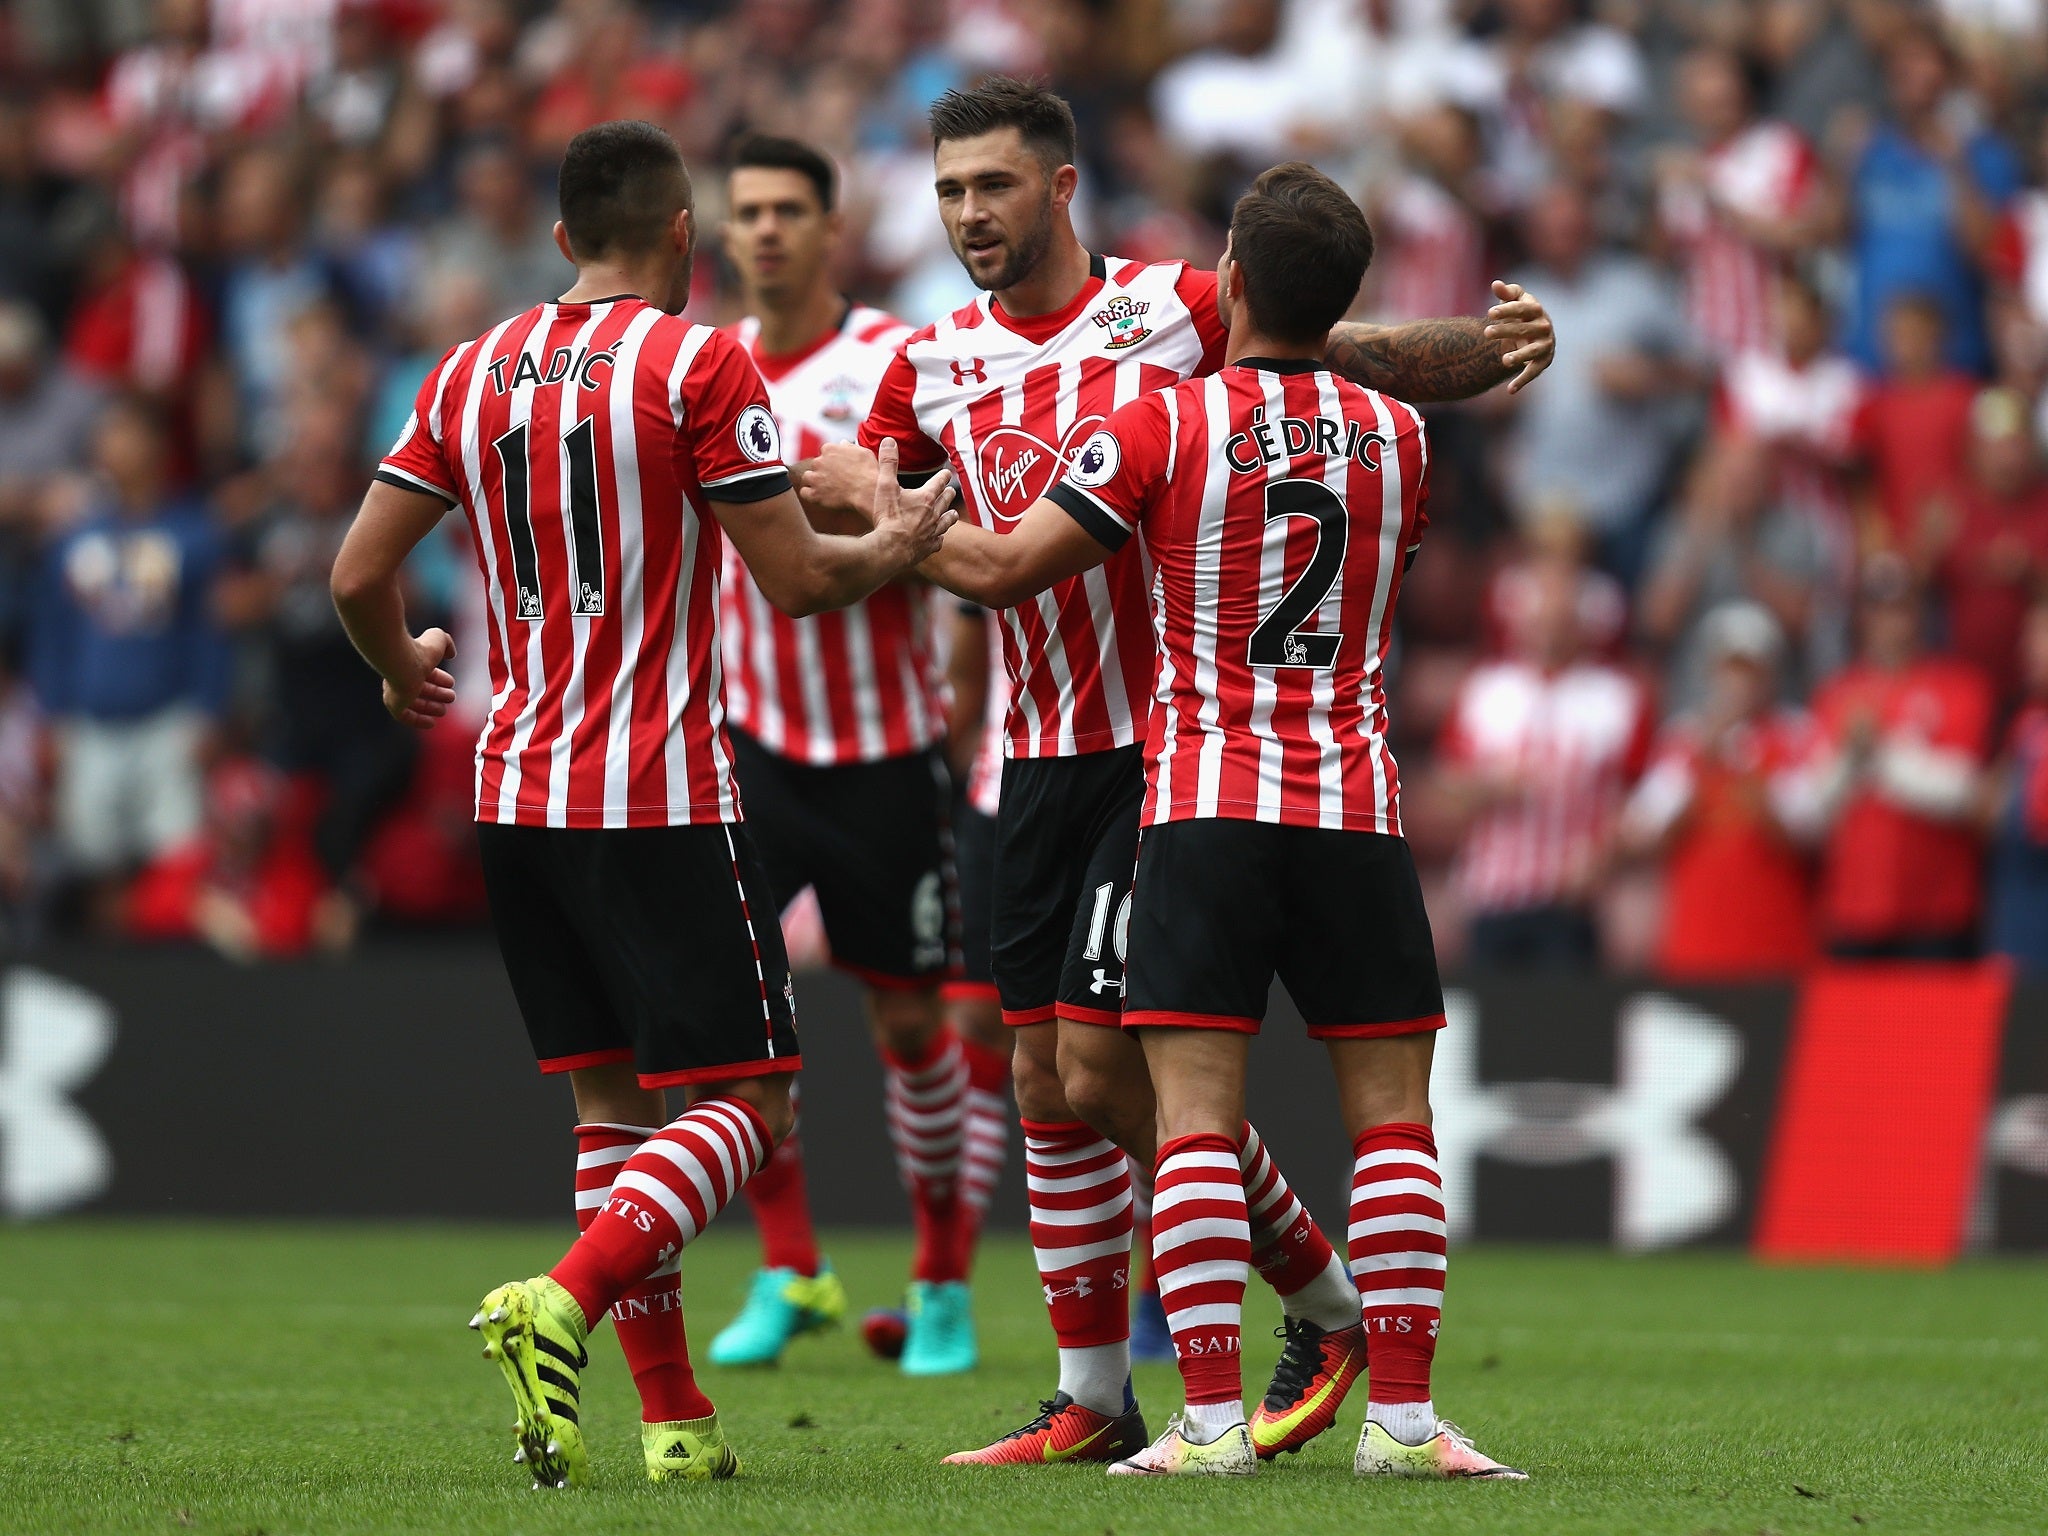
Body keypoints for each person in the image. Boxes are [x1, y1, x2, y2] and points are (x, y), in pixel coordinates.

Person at [805, 77, 1554, 1469]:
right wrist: (789, 506)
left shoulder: (1175, 312)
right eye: (952, 188)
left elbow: (1356, 349)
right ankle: (1099, 1398)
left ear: (1062, 184)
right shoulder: (927, 366)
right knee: (1040, 1079)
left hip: (1162, 745)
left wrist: (1492, 346)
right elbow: (873, 533)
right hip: (1028, 754)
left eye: (996, 185)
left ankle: (1314, 1310)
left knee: (1105, 1079)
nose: (971, 211)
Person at [328, 119, 955, 1491]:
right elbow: (798, 582)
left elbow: (356, 576)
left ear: (559, 239)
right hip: (659, 792)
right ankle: (566, 1293)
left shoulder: (470, 369)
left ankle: (673, 1426)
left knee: (611, 1115)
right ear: (687, 234)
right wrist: (902, 541)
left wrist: (401, 673)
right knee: (753, 1104)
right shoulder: (700, 358)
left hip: (514, 793)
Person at [700, 132, 1005, 1377]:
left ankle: (939, 1281)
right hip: (745, 746)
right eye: (746, 212)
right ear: (719, 235)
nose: (765, 230)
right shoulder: (701, 367)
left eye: (788, 210)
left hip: (886, 750)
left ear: (831, 228)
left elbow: (958, 526)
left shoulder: (896, 359)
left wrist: (861, 509)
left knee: (909, 1027)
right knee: (731, 1023)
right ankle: (790, 1270)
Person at [1439, 554, 1651, 970]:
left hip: (1573, 898)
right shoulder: (1487, 691)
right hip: (1492, 895)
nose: (1550, 631)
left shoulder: (1617, 697)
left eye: (1562, 619)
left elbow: (1644, 798)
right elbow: (1448, 789)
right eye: (1542, 618)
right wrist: (1489, 788)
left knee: (1562, 1025)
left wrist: (1606, 853)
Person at [1620, 603, 1827, 979]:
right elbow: (1645, 836)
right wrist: (1701, 765)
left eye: (1750, 672)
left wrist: (1744, 772)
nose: (1738, 684)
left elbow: (1805, 834)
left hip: (1776, 945)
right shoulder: (1683, 739)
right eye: (1729, 670)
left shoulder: (1797, 735)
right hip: (1696, 946)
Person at [1810, 556, 1993, 960]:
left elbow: (1961, 792)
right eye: (1878, 609)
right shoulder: (1836, 693)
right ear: (1862, 617)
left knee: (1932, 1024)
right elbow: (1818, 804)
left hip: (1935, 909)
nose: (1891, 622)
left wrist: (1879, 751)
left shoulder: (1959, 687)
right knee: (1856, 1024)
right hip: (1853, 906)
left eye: (1901, 607)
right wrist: (1849, 758)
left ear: (1920, 613)